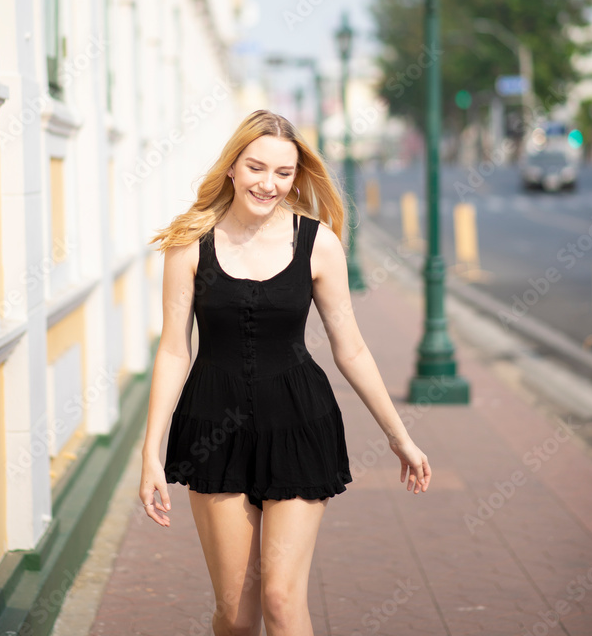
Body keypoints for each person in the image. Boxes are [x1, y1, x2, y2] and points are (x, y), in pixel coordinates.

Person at [139, 109, 431, 636]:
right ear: (232, 167)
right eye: (256, 168)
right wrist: (150, 453)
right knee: (235, 614)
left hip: (299, 423)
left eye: (283, 173)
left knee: (280, 599)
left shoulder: (318, 243)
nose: (268, 184)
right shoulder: (190, 244)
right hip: (212, 429)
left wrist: (400, 437)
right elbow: (173, 352)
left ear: (297, 176)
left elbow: (353, 350)